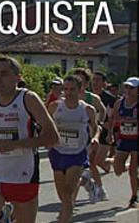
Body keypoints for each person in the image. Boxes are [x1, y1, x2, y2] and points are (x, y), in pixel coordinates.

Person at [0, 57, 59, 223]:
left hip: (23, 175)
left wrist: (16, 144)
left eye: (4, 74)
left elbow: (53, 137)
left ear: (17, 77)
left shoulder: (28, 99)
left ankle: (7, 215)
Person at [46, 75, 98, 222]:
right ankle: (85, 180)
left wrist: (95, 138)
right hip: (57, 152)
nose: (68, 92)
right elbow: (45, 125)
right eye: (66, 89)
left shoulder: (87, 109)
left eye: (72, 89)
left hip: (77, 152)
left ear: (81, 90)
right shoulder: (55, 106)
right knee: (63, 196)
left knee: (68, 193)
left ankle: (64, 219)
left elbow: (95, 127)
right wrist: (47, 138)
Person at [71, 67, 108, 202]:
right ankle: (89, 184)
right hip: (72, 137)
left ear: (86, 83)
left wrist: (99, 124)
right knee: (75, 167)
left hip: (89, 137)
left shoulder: (92, 98)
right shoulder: (67, 97)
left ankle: (97, 188)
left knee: (88, 164)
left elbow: (103, 111)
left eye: (81, 80)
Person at [107, 76, 138, 208]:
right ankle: (135, 179)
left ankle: (133, 197)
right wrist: (109, 134)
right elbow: (113, 119)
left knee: (132, 170)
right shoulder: (119, 103)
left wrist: (131, 121)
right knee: (118, 170)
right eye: (126, 87)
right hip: (124, 139)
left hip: (137, 140)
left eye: (131, 88)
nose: (128, 90)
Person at [92, 71, 118, 173]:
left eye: (98, 80)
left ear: (104, 83)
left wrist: (110, 132)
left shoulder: (110, 99)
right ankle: (106, 166)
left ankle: (118, 162)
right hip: (92, 130)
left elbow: (113, 116)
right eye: (93, 79)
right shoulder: (87, 96)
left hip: (105, 131)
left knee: (97, 161)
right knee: (92, 160)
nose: (95, 82)